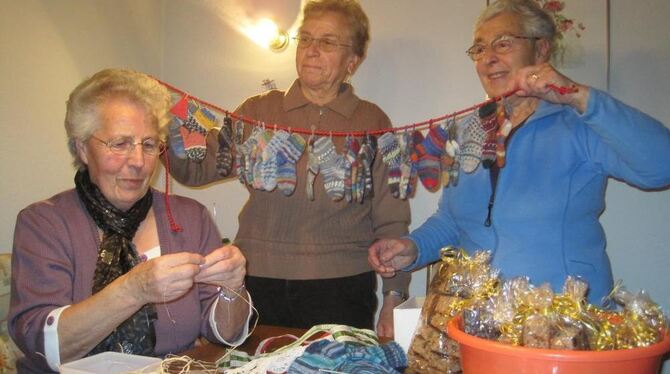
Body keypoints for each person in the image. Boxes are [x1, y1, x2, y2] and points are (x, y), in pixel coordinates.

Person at [369, 0, 670, 305]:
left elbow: (661, 167)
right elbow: (452, 220)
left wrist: (579, 96)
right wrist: (413, 247)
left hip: (565, 320)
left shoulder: (578, 123)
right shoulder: (465, 131)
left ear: (540, 51)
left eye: (503, 44)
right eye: (479, 49)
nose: (488, 58)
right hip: (483, 318)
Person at [167, 0, 410, 337]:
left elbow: (392, 214)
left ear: (352, 61)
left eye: (327, 42)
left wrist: (394, 294)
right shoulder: (258, 111)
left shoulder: (373, 122)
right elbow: (197, 169)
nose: (311, 50)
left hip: (341, 286)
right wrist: (163, 129)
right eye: (305, 39)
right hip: (257, 279)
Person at [8, 69, 252, 373]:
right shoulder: (44, 223)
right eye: (120, 143)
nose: (139, 162)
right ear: (83, 148)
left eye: (149, 144)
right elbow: (40, 346)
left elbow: (224, 333)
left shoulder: (190, 217)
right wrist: (134, 290)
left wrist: (233, 287)